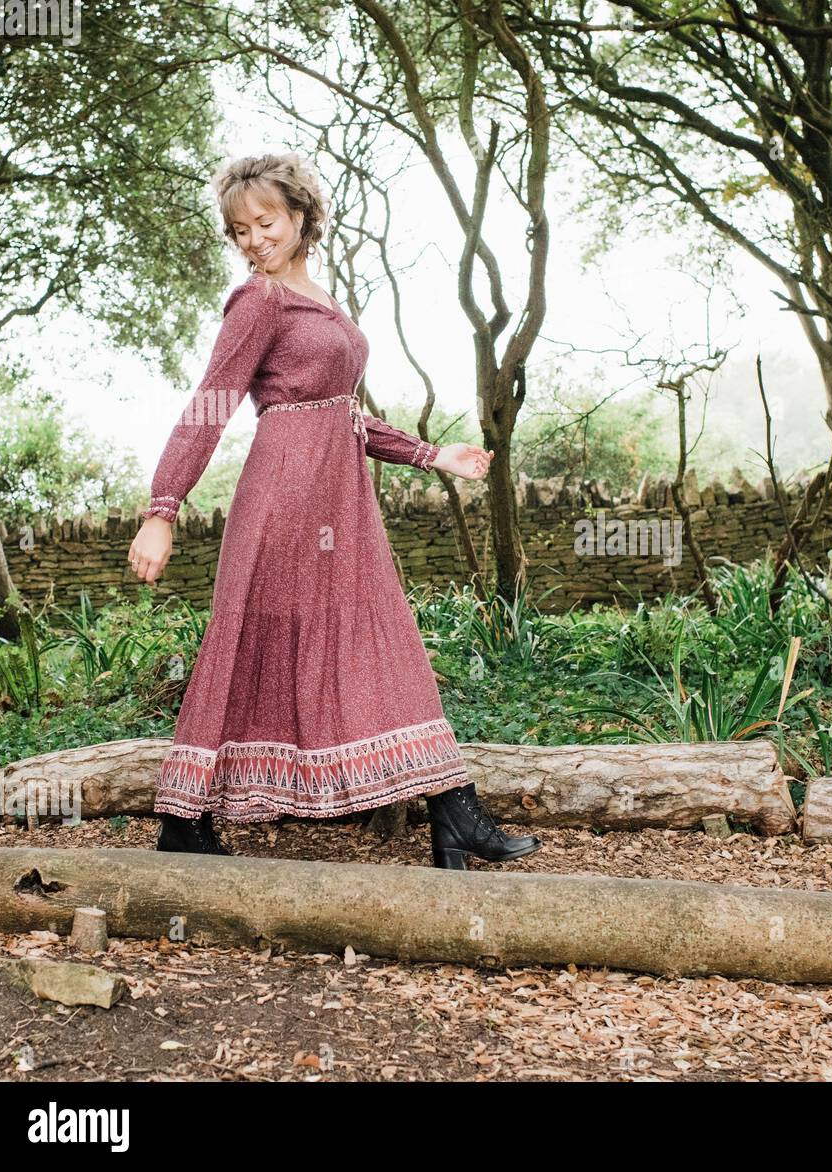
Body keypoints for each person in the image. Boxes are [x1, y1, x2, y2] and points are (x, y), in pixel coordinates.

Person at [126, 152, 539, 871]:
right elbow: (213, 405)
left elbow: (343, 415)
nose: (255, 239)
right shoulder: (259, 302)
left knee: (379, 640)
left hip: (340, 500)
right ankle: (184, 821)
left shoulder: (319, 300)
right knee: (257, 642)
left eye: (267, 222)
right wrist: (163, 507)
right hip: (285, 498)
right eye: (240, 230)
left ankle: (452, 816)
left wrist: (431, 455)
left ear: (301, 217)